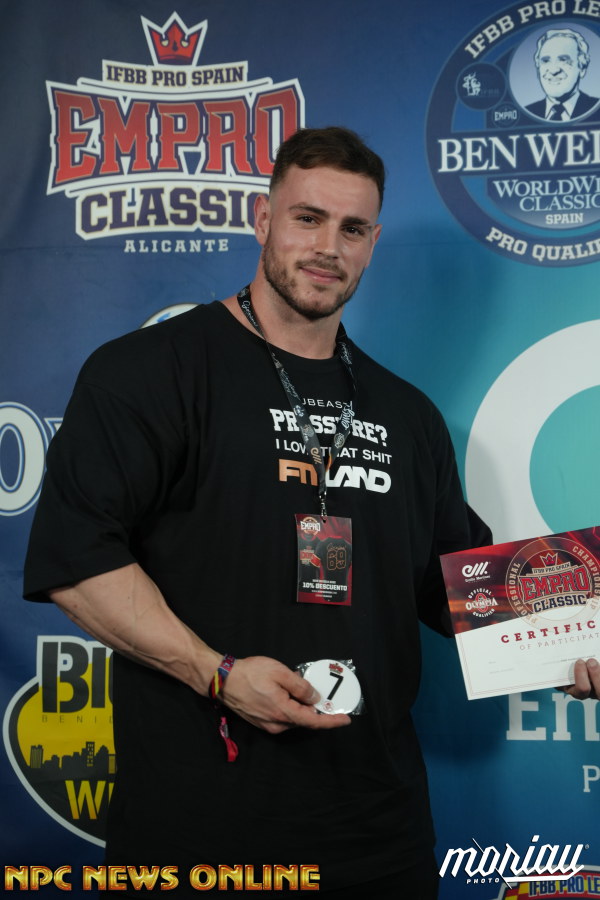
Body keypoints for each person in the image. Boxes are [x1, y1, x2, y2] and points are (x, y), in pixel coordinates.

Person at [23, 126, 599, 897]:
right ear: (263, 218)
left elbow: (451, 588)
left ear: (373, 243)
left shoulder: (407, 414)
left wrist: (574, 640)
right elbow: (77, 560)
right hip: (199, 830)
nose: (329, 247)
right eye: (308, 218)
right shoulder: (150, 370)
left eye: (353, 228)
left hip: (379, 835)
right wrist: (219, 675)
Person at [526, 28, 599, 120]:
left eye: (563, 60)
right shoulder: (527, 112)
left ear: (582, 68)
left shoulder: (595, 108)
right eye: (546, 61)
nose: (553, 70)